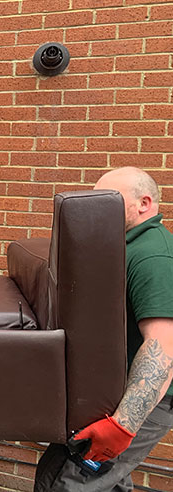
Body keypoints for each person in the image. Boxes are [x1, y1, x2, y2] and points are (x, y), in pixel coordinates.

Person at [34, 167, 173, 491]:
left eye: (111, 200)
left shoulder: (154, 256)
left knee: (66, 484)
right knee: (85, 480)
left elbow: (164, 345)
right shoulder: (123, 246)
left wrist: (122, 426)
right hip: (110, 394)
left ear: (144, 203)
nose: (101, 208)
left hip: (144, 400)